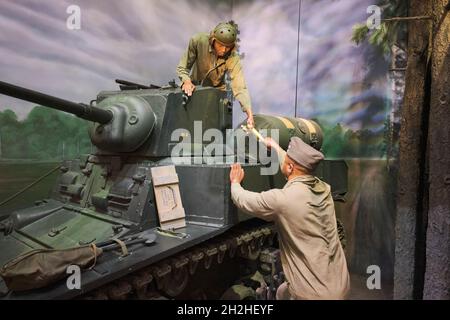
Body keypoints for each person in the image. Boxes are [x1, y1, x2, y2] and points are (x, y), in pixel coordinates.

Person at [229, 137, 350, 300]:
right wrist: (277, 148)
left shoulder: (284, 199)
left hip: (314, 295)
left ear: (290, 166)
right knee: (281, 293)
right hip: (340, 284)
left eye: (286, 160)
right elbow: (291, 164)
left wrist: (235, 182)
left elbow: (243, 200)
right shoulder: (323, 188)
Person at [176, 21, 254, 128]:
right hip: (193, 90)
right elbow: (182, 67)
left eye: (228, 47)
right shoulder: (198, 41)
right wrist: (186, 80)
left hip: (215, 95)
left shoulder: (233, 57)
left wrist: (249, 114)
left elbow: (240, 87)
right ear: (213, 40)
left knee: (212, 127)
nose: (224, 50)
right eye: (221, 45)